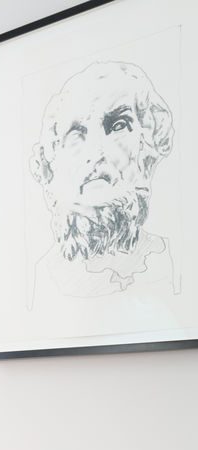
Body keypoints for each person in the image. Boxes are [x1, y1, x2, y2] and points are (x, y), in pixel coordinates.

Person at [29, 61, 176, 300]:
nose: (96, 153)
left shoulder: (173, 262)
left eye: (118, 126)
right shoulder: (40, 280)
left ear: (147, 145)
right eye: (76, 133)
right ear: (54, 157)